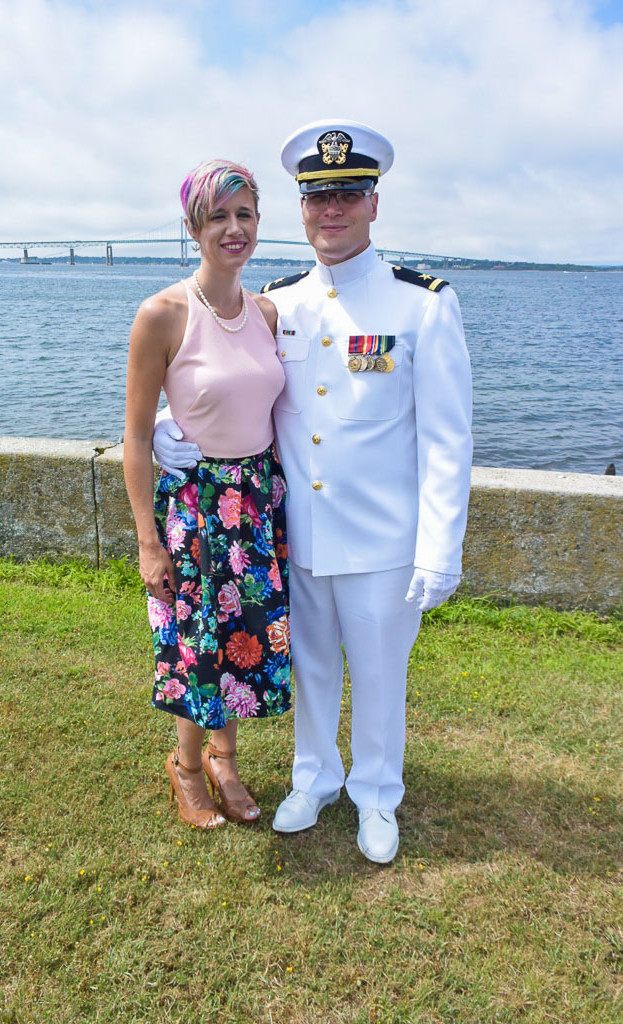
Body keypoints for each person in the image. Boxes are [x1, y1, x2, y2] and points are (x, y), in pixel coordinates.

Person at [154, 121, 472, 862]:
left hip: (383, 540)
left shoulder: (422, 304)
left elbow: (447, 439)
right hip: (294, 535)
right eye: (318, 197)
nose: (333, 210)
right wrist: (171, 426)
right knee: (314, 667)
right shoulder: (276, 302)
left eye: (349, 195)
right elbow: (225, 378)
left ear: (373, 204)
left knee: (380, 675)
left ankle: (376, 794)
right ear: (301, 208)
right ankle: (314, 777)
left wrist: (441, 550)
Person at [124, 160, 291, 830]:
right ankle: (187, 766)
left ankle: (226, 761)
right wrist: (147, 541)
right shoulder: (161, 314)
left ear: (258, 222)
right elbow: (136, 437)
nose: (233, 228)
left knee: (243, 638)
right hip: (194, 507)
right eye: (217, 216)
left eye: (244, 214)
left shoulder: (268, 313)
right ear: (193, 227)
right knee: (196, 646)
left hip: (255, 499)